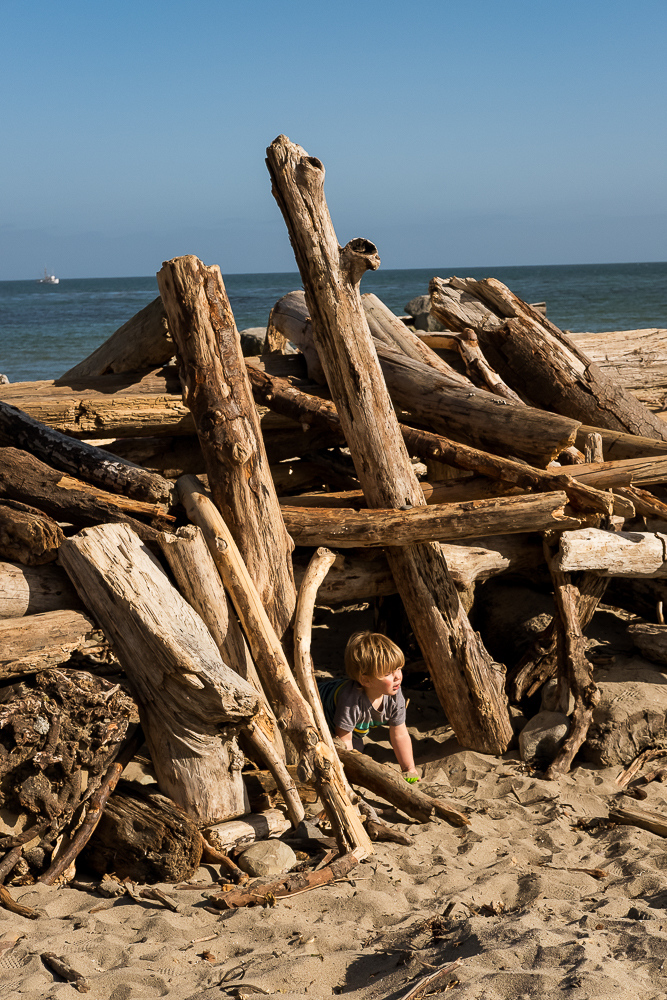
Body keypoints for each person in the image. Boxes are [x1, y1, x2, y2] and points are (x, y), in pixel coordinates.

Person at [317, 630, 420, 783]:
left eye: (399, 668)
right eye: (388, 673)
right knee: (347, 754)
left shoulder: (394, 695)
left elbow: (400, 734)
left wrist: (409, 768)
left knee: (358, 746)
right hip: (321, 714)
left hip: (355, 727)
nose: (398, 676)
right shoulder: (350, 701)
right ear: (366, 681)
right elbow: (343, 741)